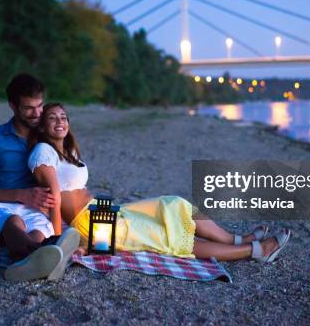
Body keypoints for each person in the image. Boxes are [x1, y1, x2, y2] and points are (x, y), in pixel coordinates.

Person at [28, 103, 292, 262]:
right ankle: (255, 250)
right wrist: (59, 241)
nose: (59, 121)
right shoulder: (43, 152)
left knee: (174, 205)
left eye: (63, 117)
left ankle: (235, 239)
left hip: (102, 210)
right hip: (90, 223)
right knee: (170, 236)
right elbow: (54, 197)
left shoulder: (68, 152)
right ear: (42, 127)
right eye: (52, 118)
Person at [0, 74, 80, 282]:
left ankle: (30, 261)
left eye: (40, 106)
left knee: (38, 231)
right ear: (12, 105)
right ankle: (45, 257)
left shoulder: (48, 139)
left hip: (34, 212)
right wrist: (21, 195)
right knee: (13, 222)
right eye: (29, 108)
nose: (37, 113)